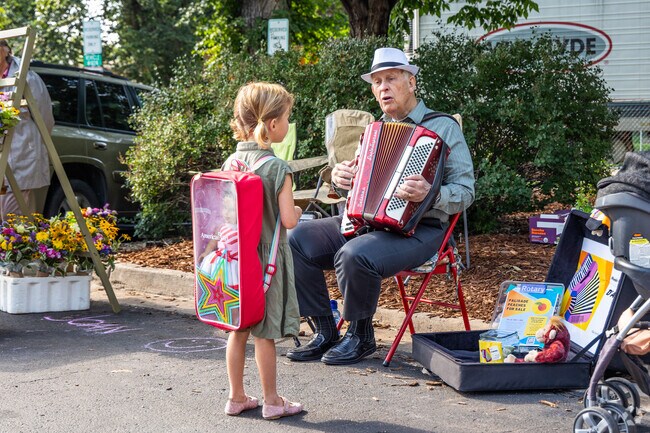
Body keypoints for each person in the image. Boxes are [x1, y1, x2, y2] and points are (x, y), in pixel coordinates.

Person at [287, 47, 476, 365]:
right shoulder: (373, 133)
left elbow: (466, 191)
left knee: (354, 254)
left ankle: (360, 336)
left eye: (391, 79)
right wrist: (341, 179)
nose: (383, 88)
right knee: (297, 239)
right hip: (368, 224)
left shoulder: (444, 128)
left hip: (421, 229)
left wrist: (431, 193)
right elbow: (359, 192)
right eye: (377, 82)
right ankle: (326, 330)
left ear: (411, 82)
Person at [222, 82, 304, 420]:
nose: (288, 124)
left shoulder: (231, 162)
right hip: (267, 263)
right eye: (286, 118)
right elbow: (288, 220)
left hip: (237, 261)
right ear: (271, 125)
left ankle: (236, 396)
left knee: (239, 329)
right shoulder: (278, 169)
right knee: (266, 334)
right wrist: (299, 211)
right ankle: (272, 400)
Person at [0, 39, 54, 220]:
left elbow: (45, 117)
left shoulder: (28, 78)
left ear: (6, 50)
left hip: (22, 152)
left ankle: (21, 245)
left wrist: (35, 145)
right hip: (4, 156)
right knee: (15, 216)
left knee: (11, 213)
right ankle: (26, 245)